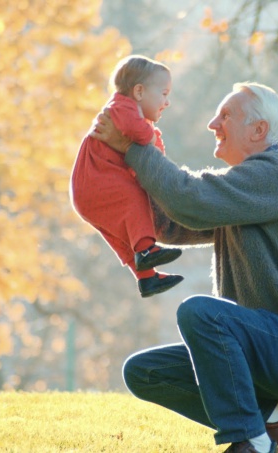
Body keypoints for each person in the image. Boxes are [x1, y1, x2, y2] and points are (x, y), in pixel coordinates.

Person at [91, 82, 278, 453]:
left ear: (259, 131)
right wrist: (116, 187)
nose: (213, 123)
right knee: (144, 372)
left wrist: (132, 144)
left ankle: (252, 442)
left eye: (226, 115)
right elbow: (175, 220)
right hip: (262, 348)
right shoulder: (249, 189)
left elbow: (190, 200)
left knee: (200, 313)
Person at [70, 55, 183, 298]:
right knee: (135, 201)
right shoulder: (123, 107)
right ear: (139, 92)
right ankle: (146, 251)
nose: (167, 102)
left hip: (90, 191)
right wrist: (152, 137)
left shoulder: (126, 111)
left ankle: (146, 278)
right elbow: (140, 135)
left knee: (124, 237)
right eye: (163, 94)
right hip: (98, 182)